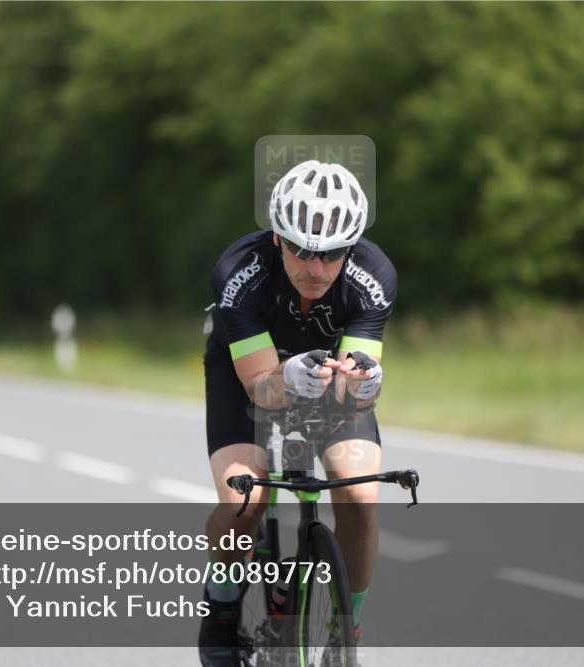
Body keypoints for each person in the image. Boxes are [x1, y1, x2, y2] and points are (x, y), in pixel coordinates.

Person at [199, 160, 396, 666]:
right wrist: (285, 379)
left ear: (350, 249)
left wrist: (364, 383)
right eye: (301, 250)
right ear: (276, 240)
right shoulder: (238, 276)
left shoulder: (374, 277)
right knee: (245, 498)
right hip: (250, 373)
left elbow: (355, 393)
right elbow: (261, 389)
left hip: (325, 371)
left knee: (358, 490)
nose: (316, 269)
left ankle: (345, 624)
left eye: (331, 255)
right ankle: (222, 608)